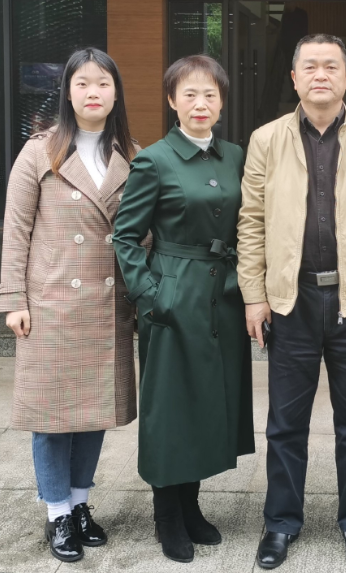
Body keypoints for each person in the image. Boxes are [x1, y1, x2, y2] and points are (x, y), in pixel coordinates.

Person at [237, 33, 346, 571]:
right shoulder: (266, 139)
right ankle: (280, 523)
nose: (320, 75)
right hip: (292, 301)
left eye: (331, 66)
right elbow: (251, 222)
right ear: (294, 78)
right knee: (285, 424)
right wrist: (254, 296)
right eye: (309, 66)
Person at [0, 47, 138, 563]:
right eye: (82, 83)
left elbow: (141, 233)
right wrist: (13, 298)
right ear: (68, 92)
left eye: (102, 83)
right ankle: (57, 513)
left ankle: (80, 504)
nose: (92, 92)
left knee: (94, 412)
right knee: (52, 414)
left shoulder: (133, 155)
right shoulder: (39, 151)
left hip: (107, 304)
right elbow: (16, 229)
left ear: (115, 93)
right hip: (51, 303)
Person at [113, 54, 254, 564]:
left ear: (222, 101)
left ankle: (191, 506)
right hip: (173, 295)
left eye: (210, 94)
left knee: (207, 403)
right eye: (189, 94)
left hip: (223, 297)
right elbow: (126, 235)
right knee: (170, 408)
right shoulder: (153, 160)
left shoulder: (235, 155)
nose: (200, 103)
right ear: (172, 101)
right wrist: (150, 294)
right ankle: (167, 515)